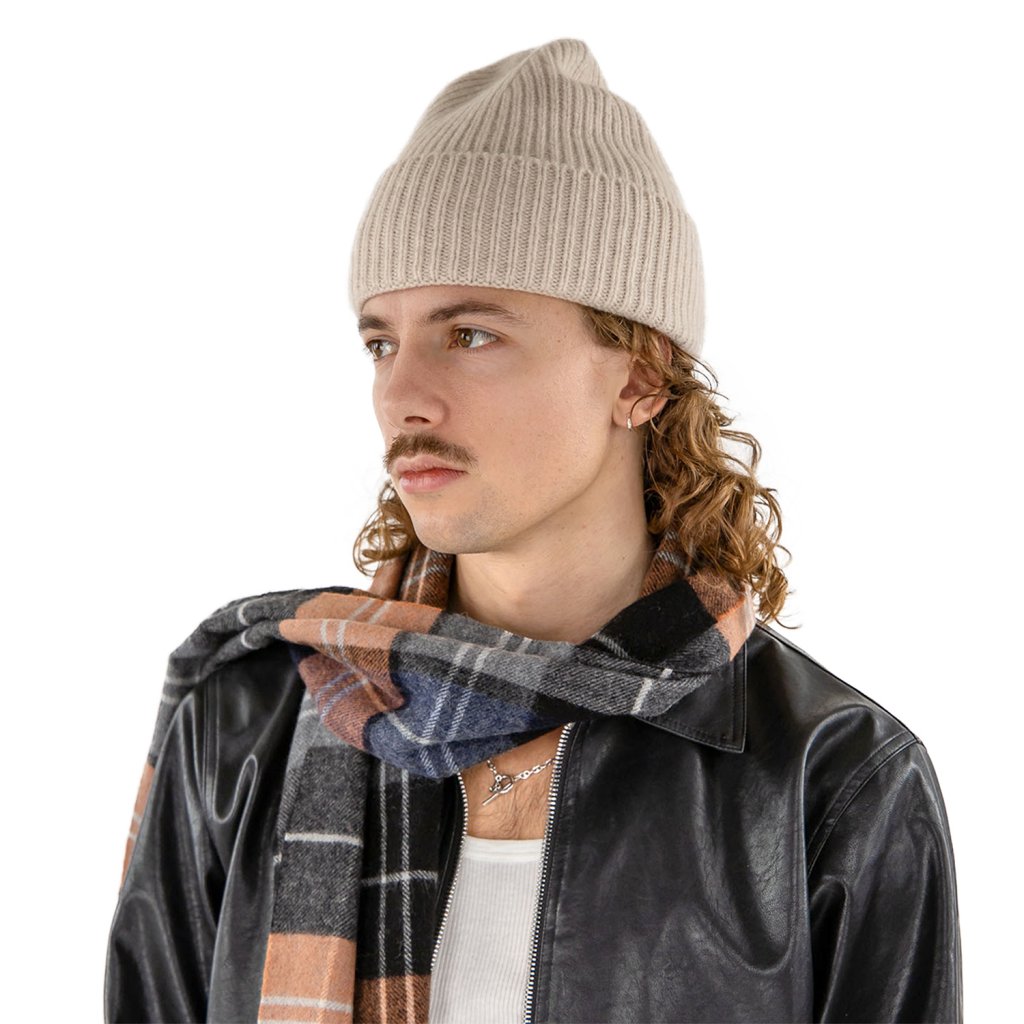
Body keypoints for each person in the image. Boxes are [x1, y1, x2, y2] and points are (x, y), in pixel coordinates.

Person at [105, 37, 961, 1024]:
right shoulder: (240, 729)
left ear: (639, 377)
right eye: (381, 340)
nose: (402, 394)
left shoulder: (833, 777)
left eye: (470, 334)